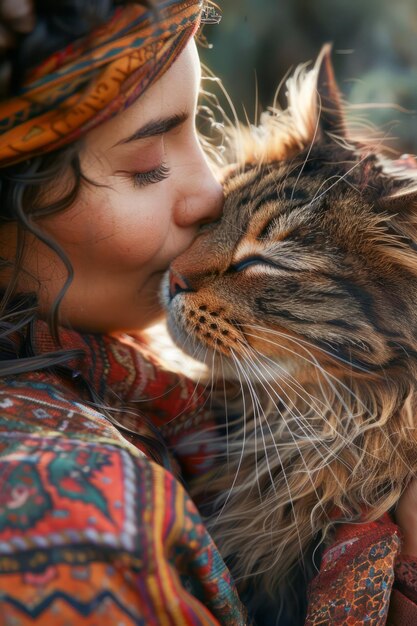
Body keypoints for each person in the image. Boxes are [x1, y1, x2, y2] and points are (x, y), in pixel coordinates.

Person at [0, 1, 247, 624]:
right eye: (148, 167)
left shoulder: (133, 387)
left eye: (202, 126)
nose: (213, 192)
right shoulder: (76, 532)